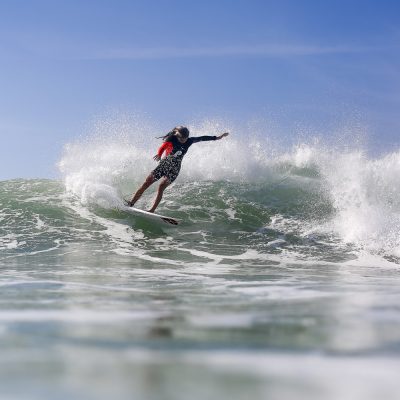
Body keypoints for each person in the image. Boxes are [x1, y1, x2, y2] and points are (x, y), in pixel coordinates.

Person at [127, 126, 229, 213]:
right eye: (181, 138)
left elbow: (202, 138)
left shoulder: (189, 140)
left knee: (161, 187)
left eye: (185, 138)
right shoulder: (172, 138)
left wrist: (217, 137)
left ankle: (152, 210)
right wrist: (159, 154)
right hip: (164, 164)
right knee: (147, 182)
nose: (183, 140)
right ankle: (131, 203)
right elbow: (163, 147)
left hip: (175, 168)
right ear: (178, 136)